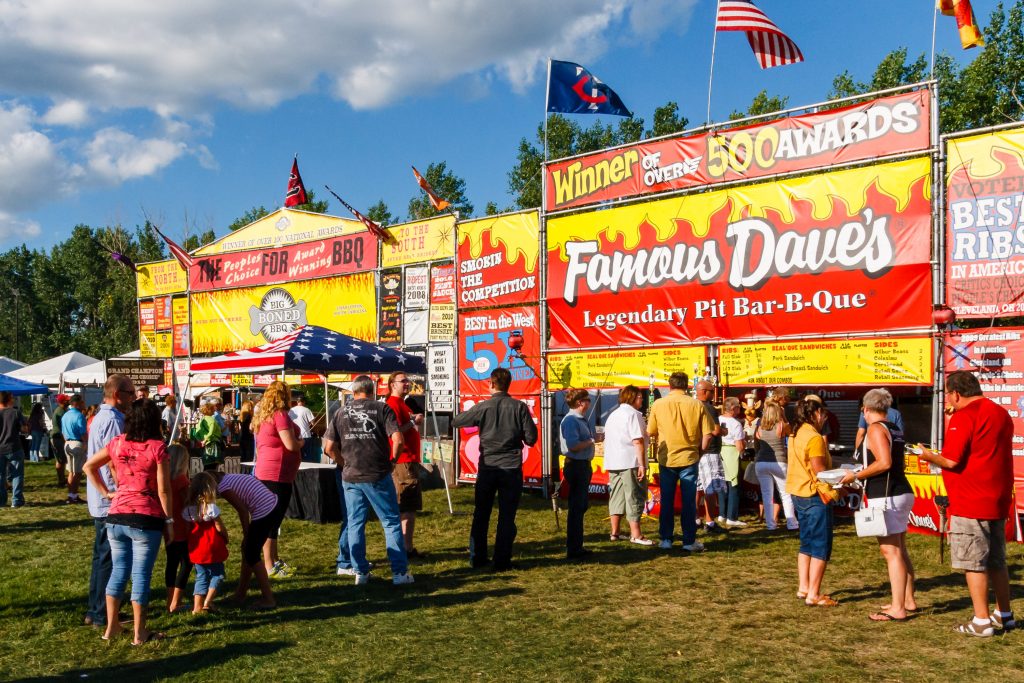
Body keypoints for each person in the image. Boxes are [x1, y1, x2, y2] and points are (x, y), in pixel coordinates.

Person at [917, 371, 1016, 636]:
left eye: (947, 394)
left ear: (956, 394)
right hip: (997, 498)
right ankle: (1004, 614)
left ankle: (981, 621)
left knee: (974, 562)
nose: (947, 399)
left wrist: (927, 455)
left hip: (970, 500)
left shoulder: (965, 416)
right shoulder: (1000, 413)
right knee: (997, 560)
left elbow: (951, 460)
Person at [83, 398, 171, 645]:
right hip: (146, 517)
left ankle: (111, 628)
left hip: (116, 514)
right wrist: (170, 521)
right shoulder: (158, 448)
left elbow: (88, 466)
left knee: (119, 572)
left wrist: (106, 493)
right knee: (141, 575)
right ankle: (139, 633)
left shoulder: (117, 443)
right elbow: (164, 491)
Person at [322, 374, 413, 585]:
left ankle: (360, 571)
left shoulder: (340, 412)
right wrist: (393, 460)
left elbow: (328, 448)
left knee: (355, 523)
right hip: (377, 473)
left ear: (353, 392)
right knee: (390, 522)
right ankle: (399, 573)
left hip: (351, 476)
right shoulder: (382, 409)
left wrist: (344, 463)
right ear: (372, 390)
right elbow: (398, 439)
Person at [839, 388, 916, 622]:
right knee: (900, 549)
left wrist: (855, 476)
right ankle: (906, 600)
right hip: (899, 490)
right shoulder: (894, 427)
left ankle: (897, 608)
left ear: (865, 409)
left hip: (886, 493)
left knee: (890, 551)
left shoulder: (874, 429)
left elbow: (884, 462)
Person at [452, 367, 538, 570]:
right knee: (507, 515)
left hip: (488, 467)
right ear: (509, 384)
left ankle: (478, 557)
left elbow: (457, 421)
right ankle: (502, 559)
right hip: (511, 467)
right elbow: (532, 439)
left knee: (481, 513)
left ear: (490, 384)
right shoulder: (519, 407)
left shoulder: (484, 407)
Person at [83, 374, 133, 629]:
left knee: (101, 557)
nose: (133, 397)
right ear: (118, 394)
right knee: (110, 558)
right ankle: (102, 614)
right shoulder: (113, 420)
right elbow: (115, 460)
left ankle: (95, 610)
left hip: (101, 496)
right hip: (110, 498)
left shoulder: (101, 417)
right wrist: (122, 488)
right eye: (131, 393)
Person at [648, 372, 716, 552]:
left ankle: (666, 539)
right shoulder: (697, 405)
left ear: (669, 386)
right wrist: (700, 452)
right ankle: (688, 540)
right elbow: (708, 434)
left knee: (667, 500)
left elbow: (651, 431)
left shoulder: (658, 404)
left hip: (667, 458)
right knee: (688, 502)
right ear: (687, 386)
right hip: (689, 457)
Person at [786, 396, 839, 607]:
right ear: (814, 414)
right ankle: (814, 593)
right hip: (815, 494)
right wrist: (841, 484)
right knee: (821, 545)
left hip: (798, 492)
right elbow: (821, 472)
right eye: (822, 413)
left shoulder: (795, 432)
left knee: (806, 542)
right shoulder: (814, 437)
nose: (825, 417)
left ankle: (804, 587)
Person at [252, 381, 303, 579]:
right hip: (276, 475)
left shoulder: (263, 416)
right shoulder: (280, 415)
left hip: (269, 473)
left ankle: (273, 559)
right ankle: (269, 564)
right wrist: (301, 442)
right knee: (272, 522)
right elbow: (290, 444)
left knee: (272, 520)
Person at [213, 472, 279, 609]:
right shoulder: (229, 478)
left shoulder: (223, 487)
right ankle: (240, 594)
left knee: (251, 554)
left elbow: (242, 511)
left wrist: (246, 535)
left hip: (265, 510)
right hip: (271, 505)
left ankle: (268, 599)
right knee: (248, 552)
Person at [602, 385, 652, 545]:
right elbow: (637, 440)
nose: (641, 400)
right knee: (635, 496)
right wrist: (642, 465)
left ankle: (615, 532)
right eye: (639, 397)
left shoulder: (613, 415)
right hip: (630, 461)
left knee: (616, 496)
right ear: (632, 398)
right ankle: (636, 534)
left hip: (614, 460)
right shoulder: (633, 415)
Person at [386, 372, 426, 558]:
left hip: (408, 459)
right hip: (403, 461)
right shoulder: (393, 404)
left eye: (407, 381)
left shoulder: (402, 403)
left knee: (408, 505)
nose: (407, 384)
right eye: (403, 381)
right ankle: (406, 549)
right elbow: (394, 432)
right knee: (407, 505)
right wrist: (412, 421)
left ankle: (406, 547)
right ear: (392, 384)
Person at [560, 389, 600, 559]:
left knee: (580, 505)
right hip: (577, 465)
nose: (589, 402)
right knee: (577, 507)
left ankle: (576, 545)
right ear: (579, 403)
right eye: (587, 400)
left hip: (582, 465)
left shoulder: (579, 419)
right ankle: (574, 547)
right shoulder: (571, 420)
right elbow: (573, 445)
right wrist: (592, 440)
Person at [183, 472, 229, 613]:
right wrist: (225, 536)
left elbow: (187, 529)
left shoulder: (188, 510)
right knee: (218, 575)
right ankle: (208, 602)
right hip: (212, 545)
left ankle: (197, 607)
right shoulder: (211, 508)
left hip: (196, 546)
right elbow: (219, 526)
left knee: (201, 576)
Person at [754, 401, 797, 531]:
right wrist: (784, 416)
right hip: (779, 462)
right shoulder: (781, 425)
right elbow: (791, 432)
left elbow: (757, 445)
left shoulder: (760, 427)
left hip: (761, 462)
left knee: (767, 495)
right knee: (785, 493)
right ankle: (792, 523)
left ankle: (770, 525)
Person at [164, 444, 193, 613]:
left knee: (172, 562)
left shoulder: (165, 479)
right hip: (181, 526)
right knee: (187, 563)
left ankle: (170, 601)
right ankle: (176, 601)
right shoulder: (182, 481)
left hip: (168, 526)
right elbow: (188, 504)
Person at [694, 380, 725, 532]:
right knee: (711, 488)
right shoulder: (709, 408)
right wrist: (724, 431)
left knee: (698, 488)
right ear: (705, 392)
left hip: (696, 451)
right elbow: (716, 431)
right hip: (710, 451)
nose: (713, 395)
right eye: (712, 392)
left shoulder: (692, 406)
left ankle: (694, 519)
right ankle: (710, 521)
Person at [717, 396, 747, 529]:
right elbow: (739, 445)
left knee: (722, 484)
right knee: (734, 485)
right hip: (731, 452)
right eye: (739, 407)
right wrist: (743, 449)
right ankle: (732, 517)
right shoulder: (736, 424)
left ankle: (722, 514)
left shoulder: (718, 419)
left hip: (719, 451)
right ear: (734, 408)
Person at [0, 391, 27, 508]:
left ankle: (1, 501)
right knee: (17, 475)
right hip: (14, 447)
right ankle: (16, 500)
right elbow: (24, 429)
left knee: (0, 475)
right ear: (9, 400)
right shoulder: (16, 412)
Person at [61, 394, 88, 504]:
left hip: (67, 442)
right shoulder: (79, 416)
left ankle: (71, 494)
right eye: (82, 402)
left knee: (71, 471)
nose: (84, 404)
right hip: (77, 443)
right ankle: (73, 495)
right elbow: (83, 433)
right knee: (77, 472)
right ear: (76, 403)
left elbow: (63, 432)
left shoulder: (65, 415)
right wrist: (86, 444)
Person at [191, 402, 224, 471]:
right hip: (212, 443)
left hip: (205, 444)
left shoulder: (202, 420)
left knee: (207, 464)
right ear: (210, 410)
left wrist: (200, 441)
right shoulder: (212, 419)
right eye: (213, 409)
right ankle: (212, 478)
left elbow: (196, 433)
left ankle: (206, 478)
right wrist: (206, 439)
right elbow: (211, 431)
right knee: (213, 464)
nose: (214, 411)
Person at [289, 396, 317, 463]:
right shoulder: (306, 410)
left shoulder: (291, 410)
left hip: (295, 436)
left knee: (297, 456)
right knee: (308, 455)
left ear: (297, 402)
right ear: (304, 402)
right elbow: (313, 423)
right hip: (306, 435)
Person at [50, 393, 70, 488]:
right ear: (63, 402)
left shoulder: (61, 410)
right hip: (58, 437)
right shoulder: (61, 412)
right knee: (60, 460)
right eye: (67, 400)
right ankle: (61, 480)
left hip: (57, 437)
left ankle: (62, 479)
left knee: (60, 460)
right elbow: (63, 427)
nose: (69, 401)